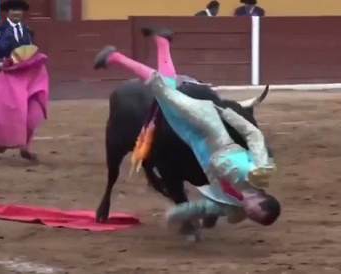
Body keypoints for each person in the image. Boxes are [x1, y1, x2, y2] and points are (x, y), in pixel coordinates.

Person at [94, 27, 280, 240]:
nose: (250, 213)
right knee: (164, 89)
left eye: (253, 217)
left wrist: (178, 215)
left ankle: (160, 43)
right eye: (255, 211)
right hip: (210, 127)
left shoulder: (234, 209)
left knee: (167, 89)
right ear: (261, 199)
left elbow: (202, 207)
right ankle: (117, 57)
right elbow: (253, 135)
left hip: (193, 141)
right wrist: (225, 112)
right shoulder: (259, 171)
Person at [0, 0, 49, 162]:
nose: (16, 13)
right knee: (8, 112)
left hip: (25, 75)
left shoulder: (27, 30)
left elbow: (29, 52)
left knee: (31, 111)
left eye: (19, 10)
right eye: (13, 10)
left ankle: (25, 146)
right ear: (7, 12)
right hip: (6, 76)